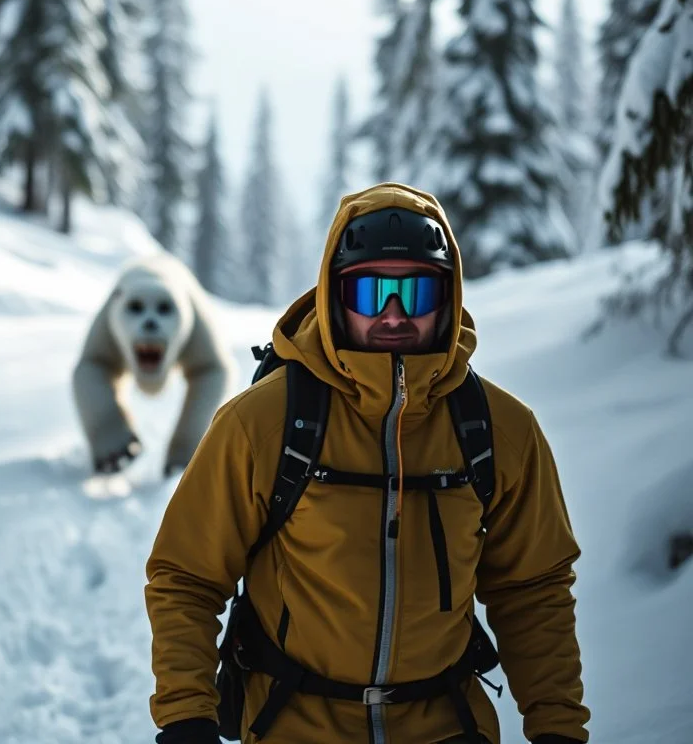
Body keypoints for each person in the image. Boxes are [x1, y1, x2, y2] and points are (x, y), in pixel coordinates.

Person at [145, 184, 589, 744]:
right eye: (372, 292)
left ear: (448, 298)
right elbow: (186, 576)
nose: (394, 314)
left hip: (448, 727)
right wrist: (187, 718)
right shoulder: (264, 424)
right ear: (336, 297)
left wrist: (558, 727)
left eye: (418, 292)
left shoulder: (498, 430)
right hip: (293, 725)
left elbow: (534, 589)